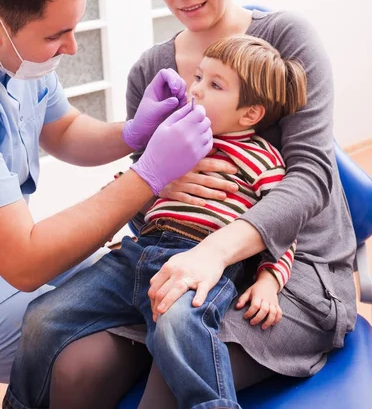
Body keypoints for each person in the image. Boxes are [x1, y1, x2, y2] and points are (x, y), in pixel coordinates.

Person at [4, 0, 358, 409]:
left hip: (279, 267)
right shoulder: (151, 71)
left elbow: (310, 177)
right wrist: (156, 180)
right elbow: (145, 204)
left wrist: (216, 253)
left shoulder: (285, 40)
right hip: (166, 258)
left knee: (168, 386)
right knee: (76, 370)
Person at [4, 34, 305, 409]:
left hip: (193, 267)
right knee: (42, 316)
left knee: (180, 326)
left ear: (250, 114)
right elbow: (128, 193)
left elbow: (279, 226)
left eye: (214, 85)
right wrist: (142, 172)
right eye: (198, 77)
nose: (196, 90)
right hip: (136, 255)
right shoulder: (176, 137)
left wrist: (269, 280)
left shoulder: (261, 158)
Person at [0, 0, 214, 383]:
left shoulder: (21, 63)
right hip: (13, 262)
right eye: (56, 34)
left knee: (132, 284)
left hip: (12, 254)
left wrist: (135, 133)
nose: (72, 48)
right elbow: (25, 262)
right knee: (96, 347)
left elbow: (65, 131)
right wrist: (149, 175)